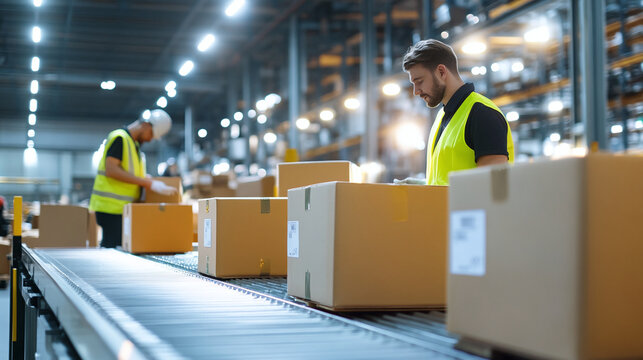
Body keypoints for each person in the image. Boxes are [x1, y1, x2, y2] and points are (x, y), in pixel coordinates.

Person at [396, 39, 514, 186]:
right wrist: (425, 187)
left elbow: (492, 188)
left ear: (441, 72)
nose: (416, 91)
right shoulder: (442, 116)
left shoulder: (482, 114)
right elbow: (447, 180)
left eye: (419, 81)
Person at [89, 109, 177, 248]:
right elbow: (111, 170)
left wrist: (146, 179)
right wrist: (147, 183)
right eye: (151, 134)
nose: (150, 139)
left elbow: (130, 173)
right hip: (110, 209)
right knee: (112, 252)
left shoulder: (135, 146)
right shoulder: (120, 138)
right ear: (146, 125)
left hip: (122, 209)